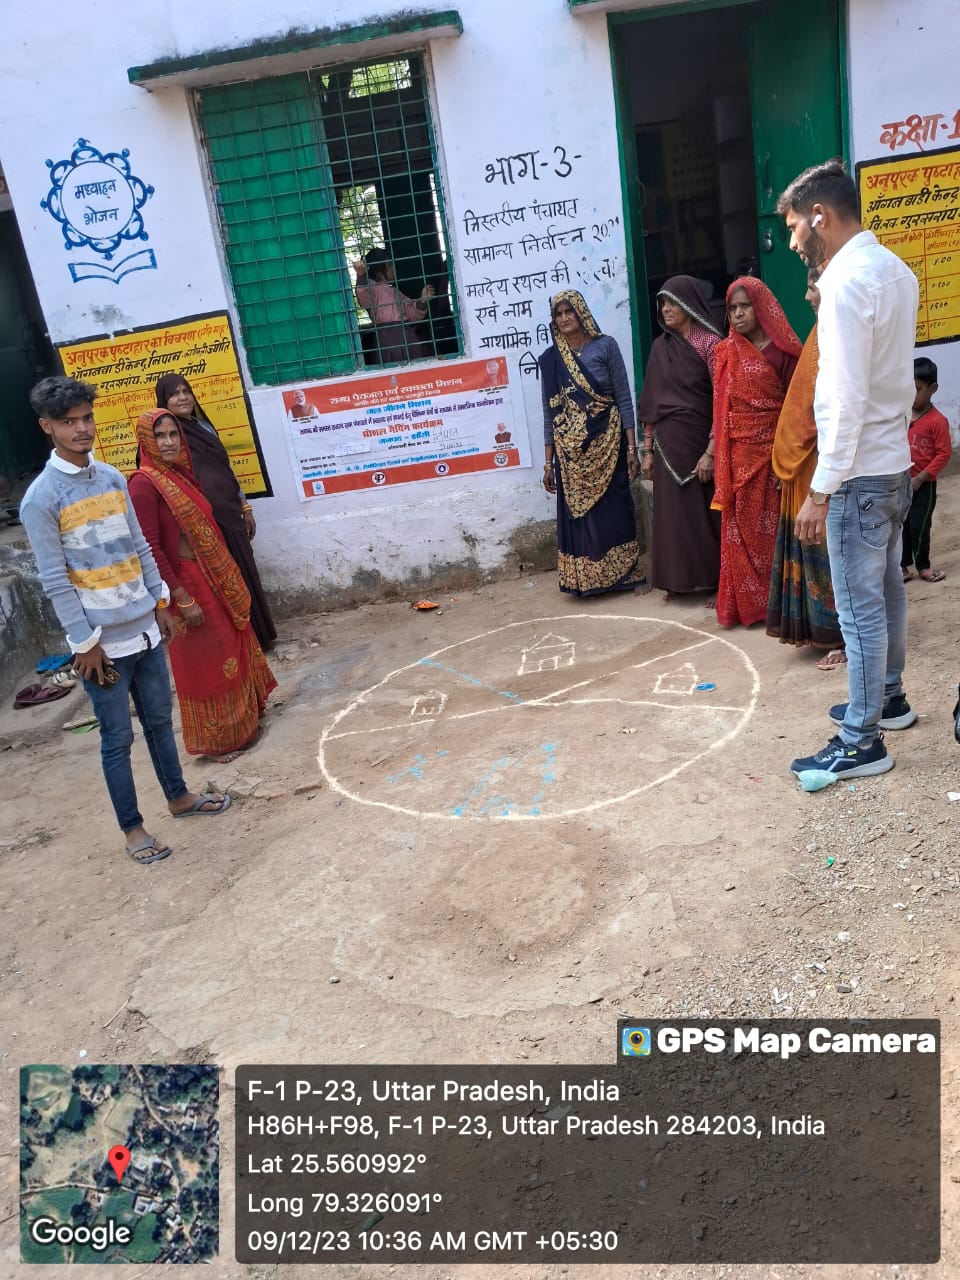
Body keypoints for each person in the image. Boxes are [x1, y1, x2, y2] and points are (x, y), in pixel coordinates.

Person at [19, 377, 231, 865]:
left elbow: (140, 546)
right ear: (47, 427)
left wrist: (160, 605)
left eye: (86, 418)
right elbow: (55, 581)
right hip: (101, 647)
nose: (81, 429)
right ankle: (133, 830)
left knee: (158, 721)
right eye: (68, 422)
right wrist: (84, 643)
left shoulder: (114, 478)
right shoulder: (41, 498)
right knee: (117, 738)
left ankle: (178, 797)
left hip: (146, 629)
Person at [779, 158, 919, 780]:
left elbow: (843, 397)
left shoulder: (843, 282)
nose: (792, 243)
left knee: (859, 612)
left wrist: (821, 489)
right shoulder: (894, 270)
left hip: (858, 475)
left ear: (820, 217)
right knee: (887, 591)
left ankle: (862, 741)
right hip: (893, 465)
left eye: (793, 228)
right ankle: (888, 699)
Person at [129, 409, 277, 762]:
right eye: (160, 436)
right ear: (146, 441)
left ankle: (245, 722)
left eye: (173, 434)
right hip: (185, 584)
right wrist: (180, 597)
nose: (168, 442)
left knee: (233, 644)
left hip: (211, 576)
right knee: (208, 660)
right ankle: (218, 742)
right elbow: (149, 547)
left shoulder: (181, 475)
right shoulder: (144, 484)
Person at [155, 373, 276, 652]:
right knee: (221, 579)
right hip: (200, 524)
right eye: (175, 394)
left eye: (186, 391)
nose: (183, 397)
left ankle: (260, 635)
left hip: (230, 513)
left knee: (244, 571)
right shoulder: (165, 437)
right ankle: (238, 640)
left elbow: (226, 469)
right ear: (164, 400)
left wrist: (244, 505)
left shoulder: (205, 427)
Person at [539, 290, 648, 597]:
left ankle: (626, 574)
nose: (564, 318)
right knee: (582, 519)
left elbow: (624, 399)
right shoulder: (550, 360)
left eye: (569, 311)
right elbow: (550, 415)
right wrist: (547, 464)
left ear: (581, 313)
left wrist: (632, 448)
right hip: (570, 456)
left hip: (609, 444)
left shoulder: (605, 346)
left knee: (615, 510)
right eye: (558, 314)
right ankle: (586, 581)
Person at [711, 277, 802, 628]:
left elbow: (797, 410)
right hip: (738, 458)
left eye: (745, 306)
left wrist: (788, 459)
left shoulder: (784, 353)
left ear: (761, 307)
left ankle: (778, 603)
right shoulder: (725, 354)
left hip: (776, 454)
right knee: (741, 531)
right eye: (732, 308)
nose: (738, 314)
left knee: (775, 530)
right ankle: (748, 604)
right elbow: (721, 412)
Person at [766, 267, 845, 665]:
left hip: (823, 463)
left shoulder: (837, 338)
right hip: (805, 462)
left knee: (835, 555)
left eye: (812, 288)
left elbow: (831, 409)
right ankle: (825, 631)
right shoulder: (821, 334)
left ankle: (843, 637)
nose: (806, 297)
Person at [637, 276, 723, 598]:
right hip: (667, 448)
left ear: (689, 304)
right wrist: (647, 451)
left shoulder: (711, 344)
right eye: (662, 303)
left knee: (706, 514)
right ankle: (678, 581)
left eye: (672, 302)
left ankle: (715, 580)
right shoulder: (660, 348)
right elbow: (651, 405)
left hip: (703, 444)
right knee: (673, 516)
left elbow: (722, 399)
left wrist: (711, 450)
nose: (666, 309)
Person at [901, 357, 952, 583]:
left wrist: (921, 478)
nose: (912, 394)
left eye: (918, 389)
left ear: (933, 389)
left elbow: (944, 454)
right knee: (900, 526)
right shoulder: (902, 416)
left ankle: (923, 566)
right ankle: (902, 567)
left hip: (924, 486)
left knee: (919, 526)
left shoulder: (937, 421)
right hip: (901, 482)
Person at [354, 249, 435, 364]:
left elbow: (413, 314)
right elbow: (364, 299)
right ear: (381, 268)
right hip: (387, 341)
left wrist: (422, 301)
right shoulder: (372, 287)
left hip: (407, 338)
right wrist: (361, 276)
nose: (393, 269)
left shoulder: (395, 291)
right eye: (390, 265)